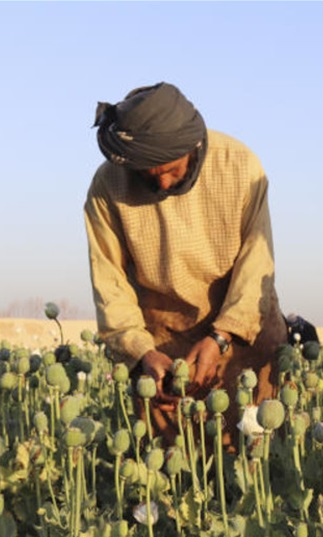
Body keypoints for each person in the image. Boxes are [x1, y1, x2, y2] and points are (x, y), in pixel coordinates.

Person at [85, 82, 288, 448]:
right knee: (176, 470)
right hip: (163, 349)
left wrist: (220, 337)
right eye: (148, 174)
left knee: (255, 457)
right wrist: (142, 353)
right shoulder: (108, 186)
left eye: (171, 170)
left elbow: (256, 266)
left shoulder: (239, 166)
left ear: (193, 148)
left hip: (243, 333)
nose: (161, 181)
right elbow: (109, 283)